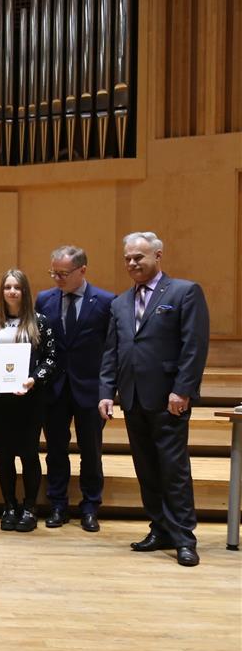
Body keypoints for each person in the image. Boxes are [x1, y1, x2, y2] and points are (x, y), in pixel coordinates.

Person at [99, 231, 210, 568]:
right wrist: (106, 392)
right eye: (128, 258)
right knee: (146, 469)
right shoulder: (119, 303)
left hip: (168, 398)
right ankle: (159, 529)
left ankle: (184, 538)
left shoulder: (184, 292)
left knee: (173, 470)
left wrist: (183, 389)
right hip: (132, 397)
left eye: (139, 257)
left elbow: (194, 346)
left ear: (158, 256)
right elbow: (112, 351)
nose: (132, 263)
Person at [35, 245, 114, 531]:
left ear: (82, 270)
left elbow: (111, 349)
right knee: (56, 449)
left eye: (63, 273)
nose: (57, 278)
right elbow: (38, 343)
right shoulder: (44, 299)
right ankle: (57, 504)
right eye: (53, 272)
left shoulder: (105, 302)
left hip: (89, 389)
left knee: (91, 451)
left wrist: (108, 390)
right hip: (54, 388)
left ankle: (90, 506)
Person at [0, 269, 57, 533]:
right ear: (2, 292)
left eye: (17, 287)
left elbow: (51, 359)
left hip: (30, 399)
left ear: (25, 292)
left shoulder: (40, 322)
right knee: (4, 454)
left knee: (28, 453)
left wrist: (34, 379)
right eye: (7, 287)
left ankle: (30, 507)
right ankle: (9, 506)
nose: (12, 292)